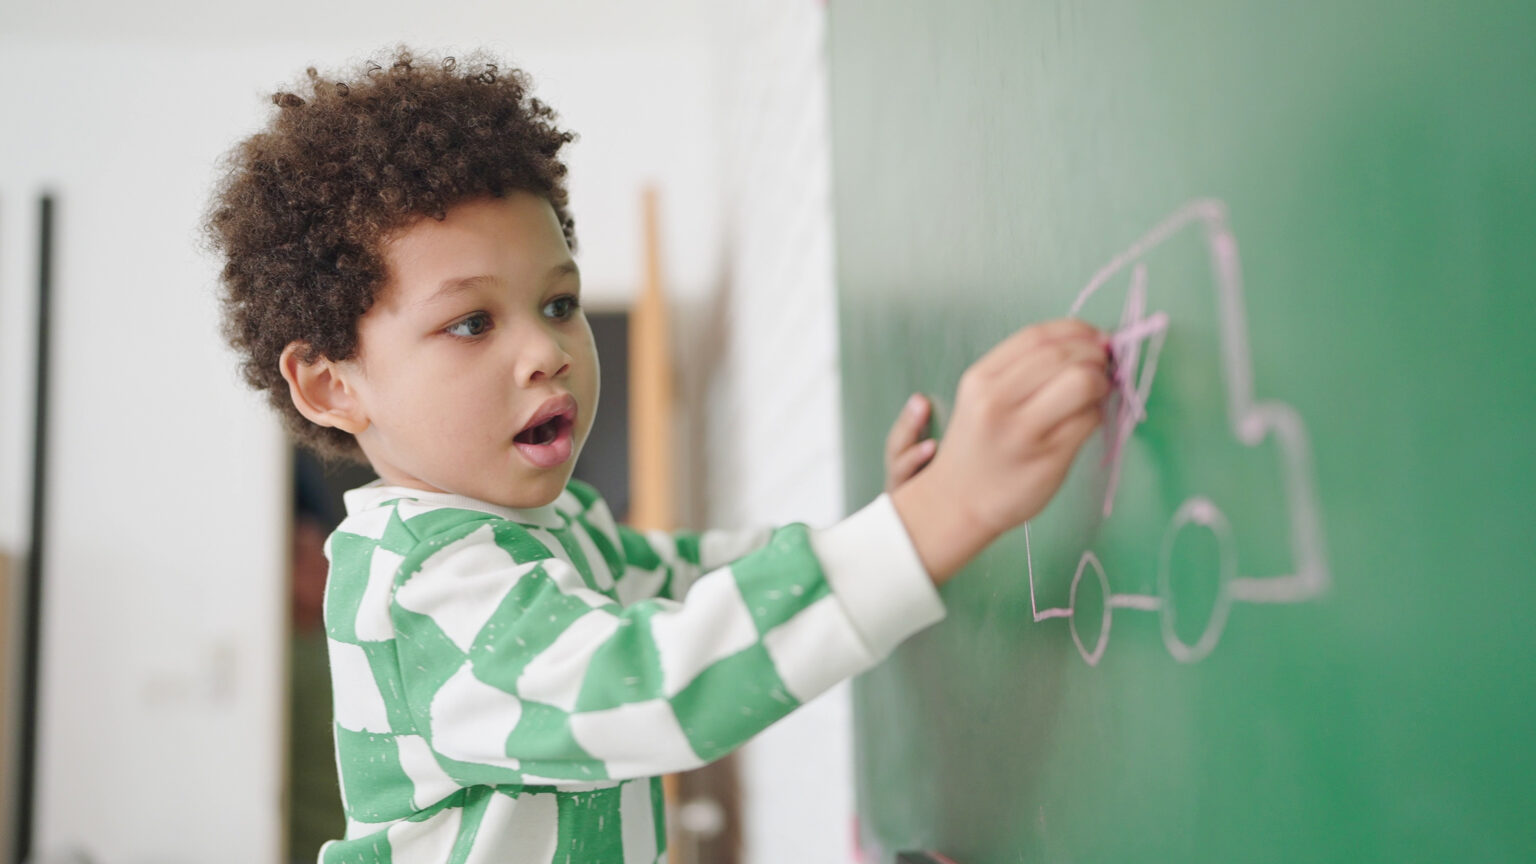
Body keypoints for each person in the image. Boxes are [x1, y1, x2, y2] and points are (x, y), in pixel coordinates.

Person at [205, 47, 1110, 864]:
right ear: (331, 386)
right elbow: (654, 688)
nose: (546, 351)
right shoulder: (420, 591)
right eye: (471, 323)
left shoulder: (549, 534)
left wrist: (890, 529)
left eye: (559, 303)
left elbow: (700, 580)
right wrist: (940, 518)